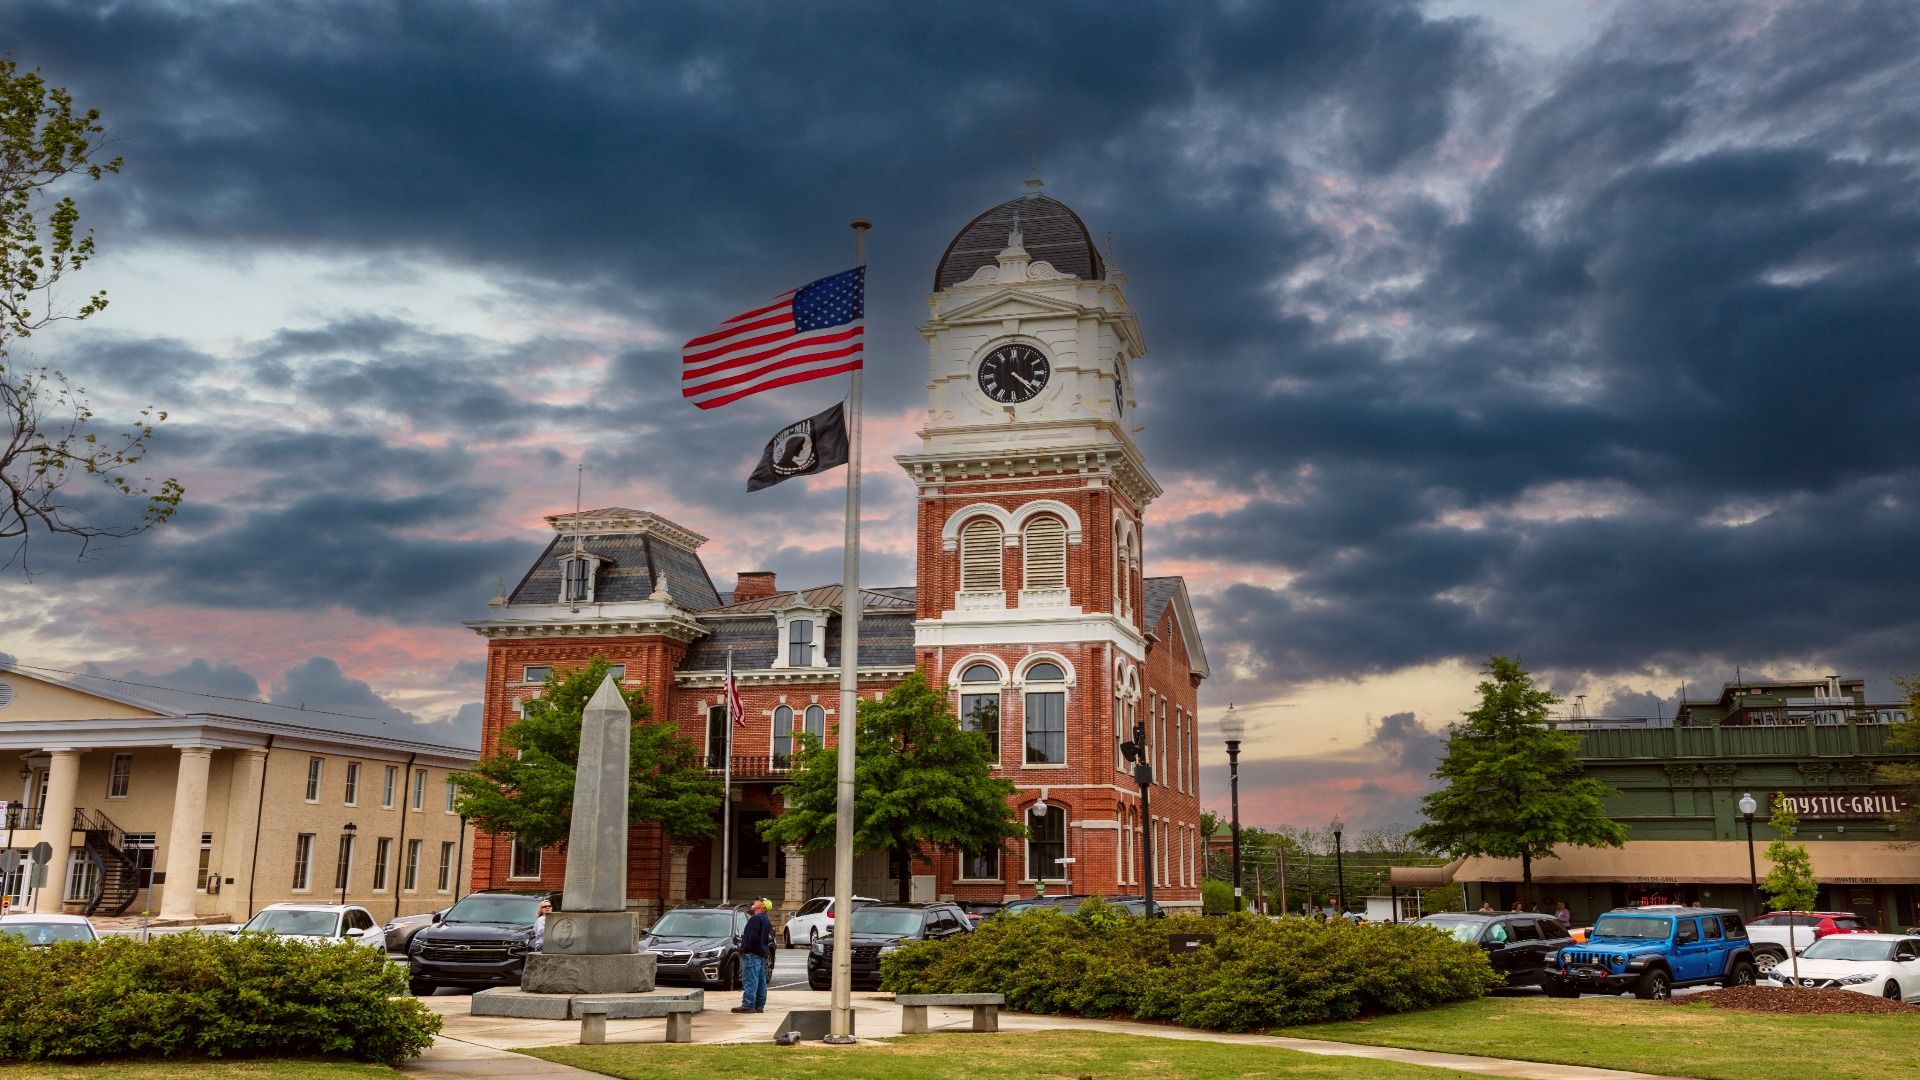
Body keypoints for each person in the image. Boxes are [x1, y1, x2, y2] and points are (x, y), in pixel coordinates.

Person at [733, 898, 774, 1014]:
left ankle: (748, 1005)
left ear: (762, 906)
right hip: (760, 954)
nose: (755, 901)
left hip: (752, 954)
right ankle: (759, 1005)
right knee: (761, 980)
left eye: (758, 901)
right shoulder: (766, 920)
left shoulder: (755, 919)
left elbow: (751, 937)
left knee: (750, 979)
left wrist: (745, 949)